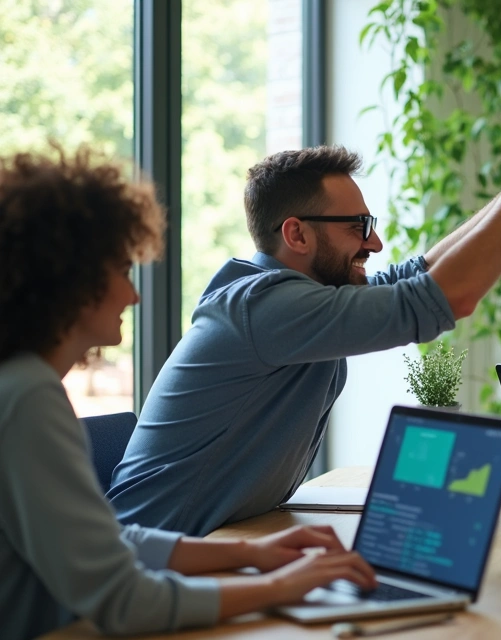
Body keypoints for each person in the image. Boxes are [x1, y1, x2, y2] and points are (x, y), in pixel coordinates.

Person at [108, 46, 501, 536]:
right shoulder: (265, 307)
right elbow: (449, 298)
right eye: (357, 226)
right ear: (297, 235)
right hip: (149, 570)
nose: (375, 241)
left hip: (217, 543)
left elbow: (416, 276)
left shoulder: (293, 299)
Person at [0, 147, 377, 640]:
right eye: (121, 271)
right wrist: (280, 586)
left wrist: (249, 554)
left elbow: (107, 539)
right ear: (67, 281)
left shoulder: (24, 386)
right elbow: (125, 601)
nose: (132, 295)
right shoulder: (27, 398)